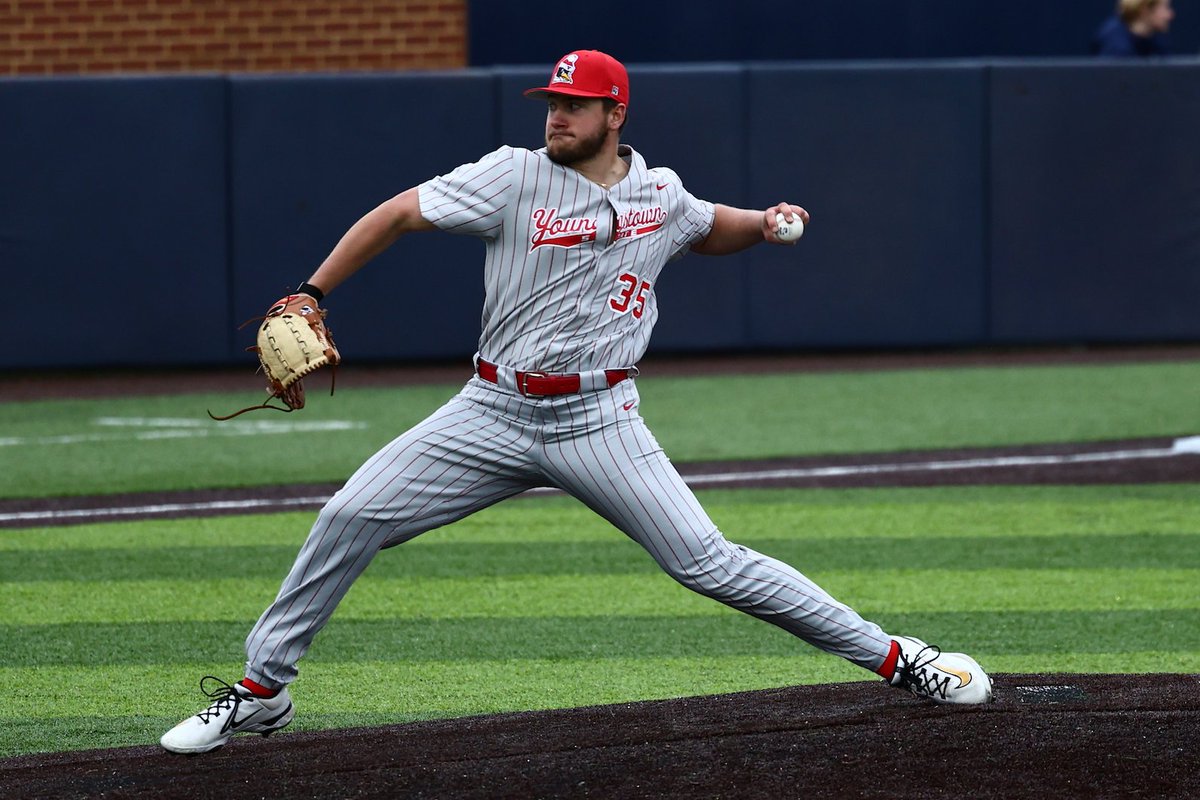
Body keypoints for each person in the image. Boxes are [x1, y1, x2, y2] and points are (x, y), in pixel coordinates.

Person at [160, 49, 993, 755]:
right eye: (552, 103)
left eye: (574, 105)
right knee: (349, 516)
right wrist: (310, 291)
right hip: (488, 412)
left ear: (614, 112)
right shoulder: (510, 177)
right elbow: (399, 214)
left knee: (709, 564)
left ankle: (903, 659)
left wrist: (765, 220)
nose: (556, 116)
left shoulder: (658, 194)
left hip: (599, 420)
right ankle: (263, 688)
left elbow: (709, 225)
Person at [1092, 0, 1174, 56]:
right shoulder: (1116, 48)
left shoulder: (1158, 41)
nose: (1170, 15)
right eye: (1165, 8)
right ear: (1145, 10)